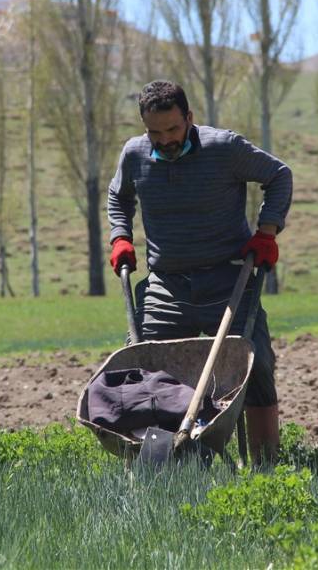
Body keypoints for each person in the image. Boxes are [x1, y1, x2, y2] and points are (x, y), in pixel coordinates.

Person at [107, 80, 293, 464]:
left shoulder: (223, 148)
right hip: (166, 286)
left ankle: (266, 466)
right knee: (143, 365)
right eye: (154, 132)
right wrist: (120, 236)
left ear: (189, 118)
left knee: (252, 362)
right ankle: (159, 461)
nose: (165, 140)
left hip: (229, 278)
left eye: (173, 129)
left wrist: (267, 231)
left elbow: (279, 175)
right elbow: (119, 196)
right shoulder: (135, 154)